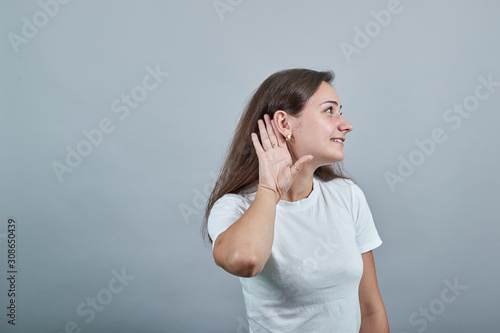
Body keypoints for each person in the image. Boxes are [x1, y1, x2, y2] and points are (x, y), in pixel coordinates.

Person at [202, 68, 389, 332]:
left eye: (340, 110)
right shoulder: (234, 207)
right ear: (284, 124)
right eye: (329, 110)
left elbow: (371, 311)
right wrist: (270, 188)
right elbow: (245, 259)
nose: (346, 124)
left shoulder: (348, 195)